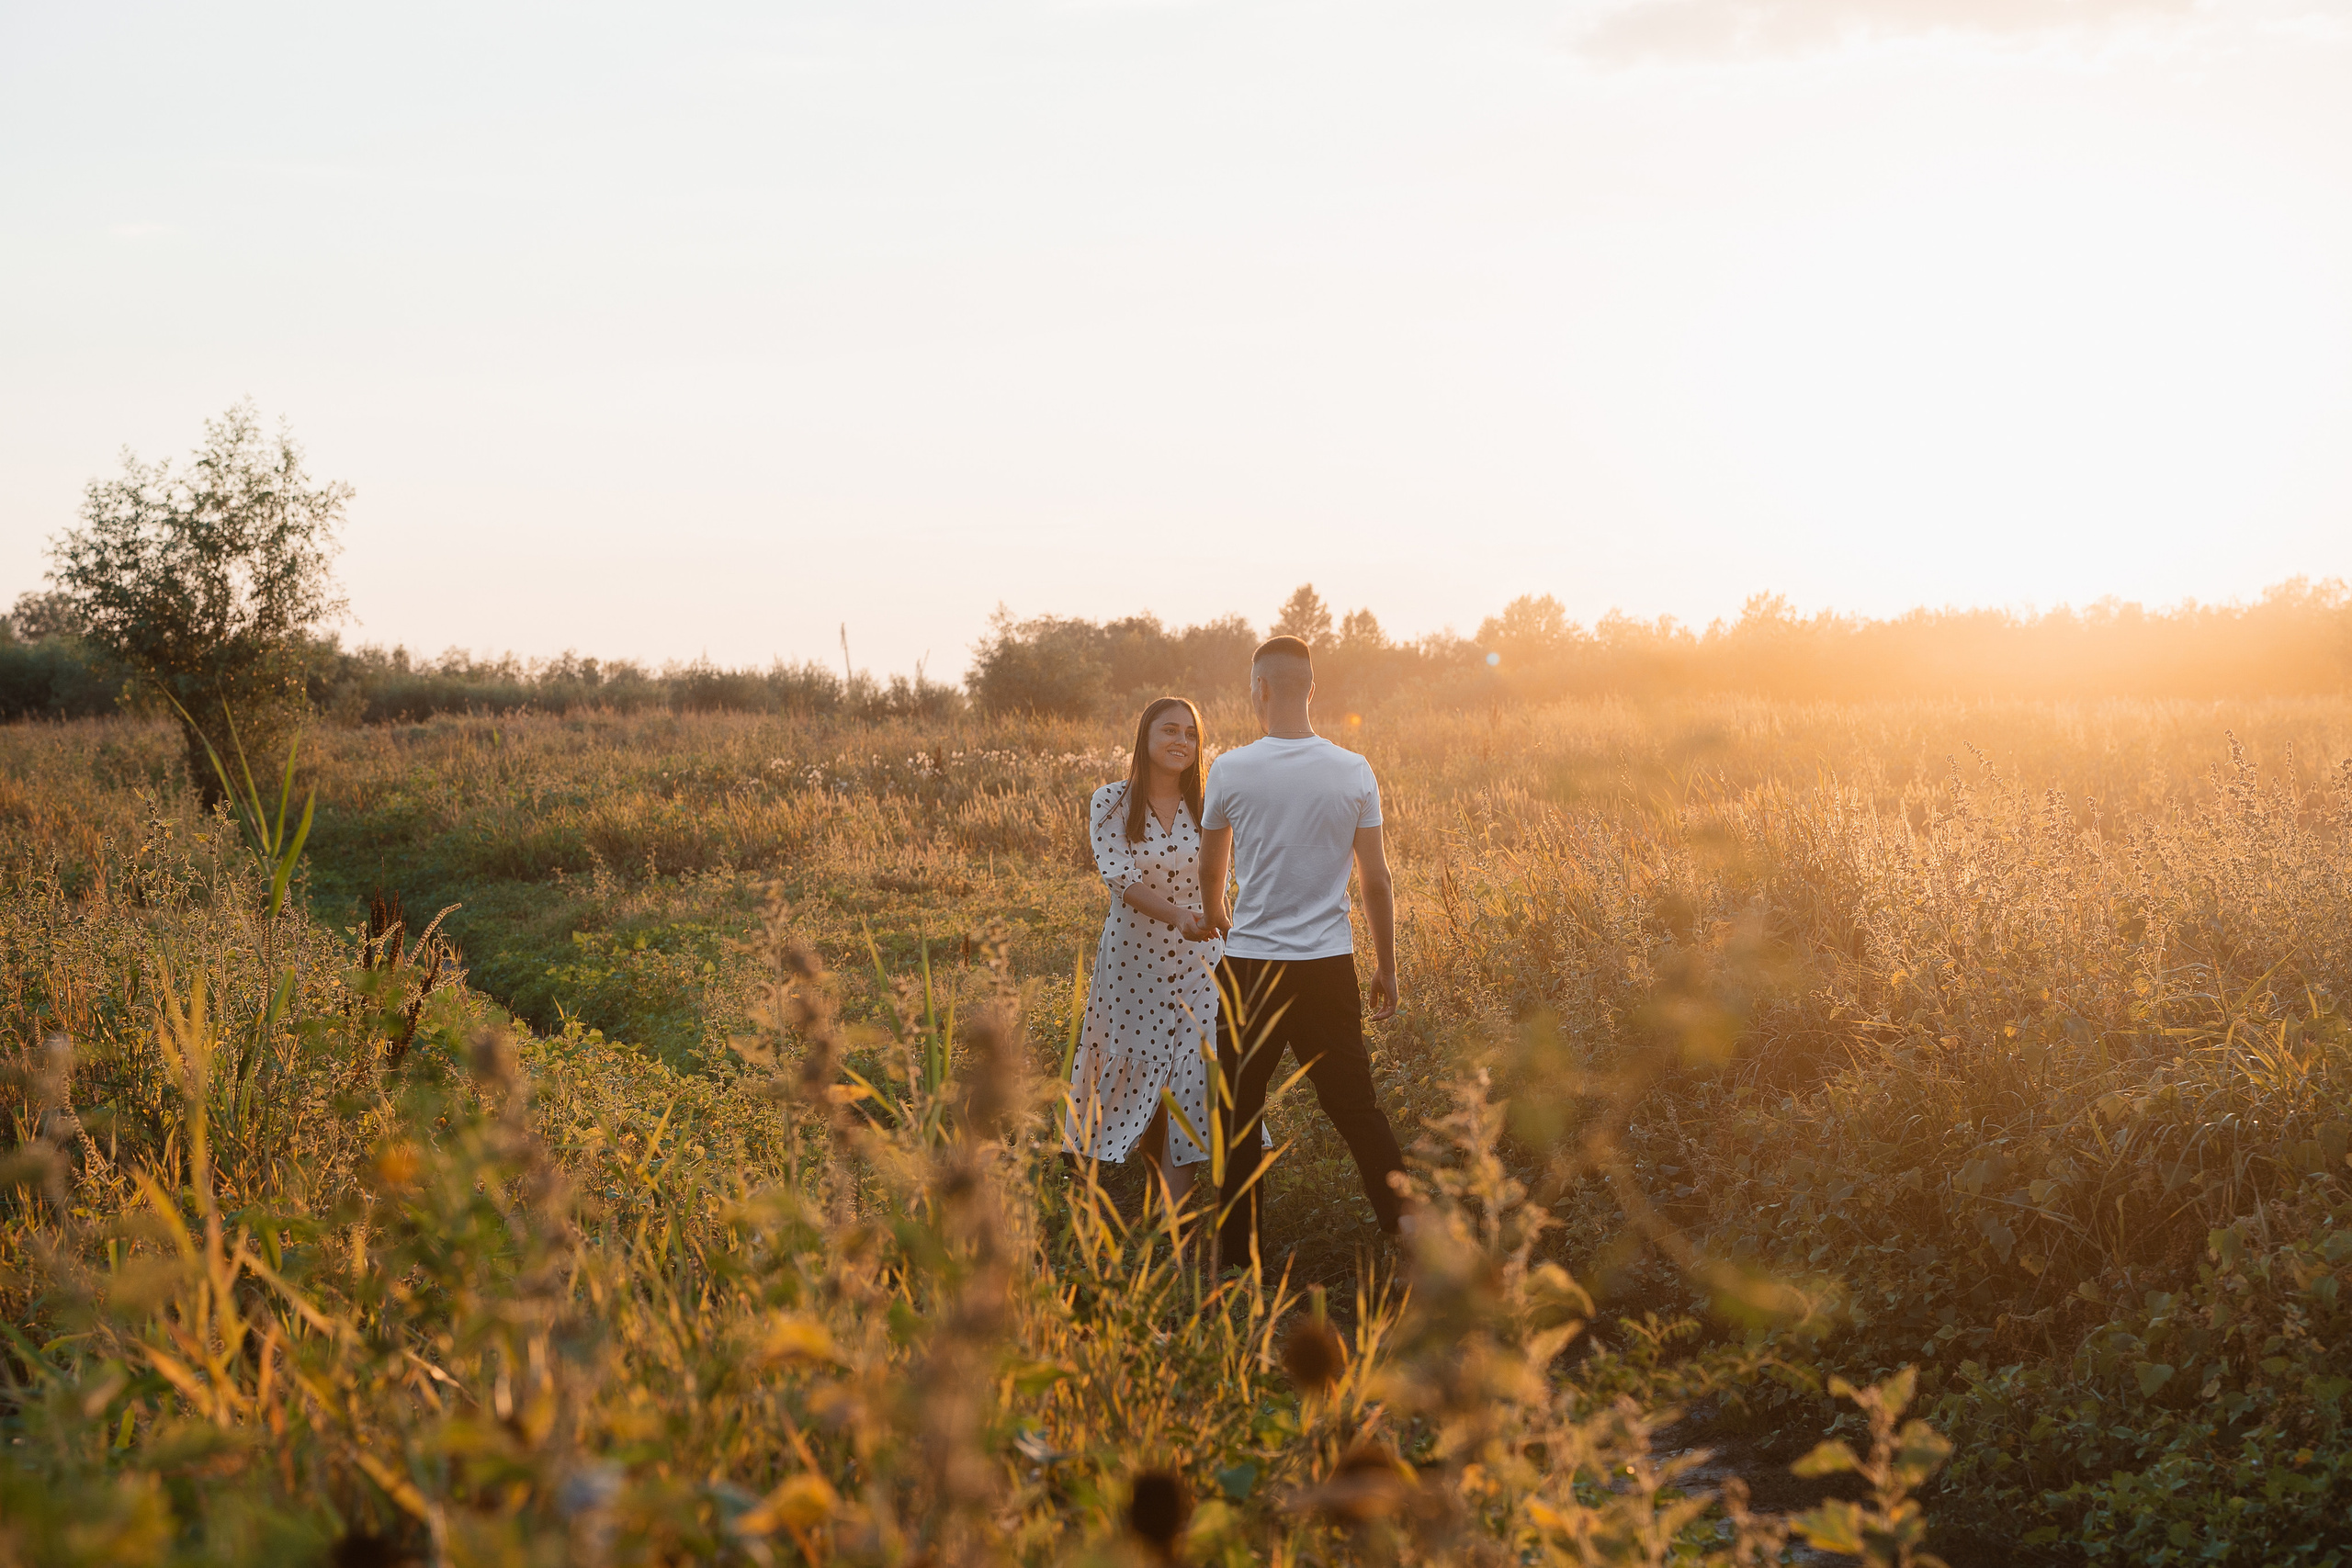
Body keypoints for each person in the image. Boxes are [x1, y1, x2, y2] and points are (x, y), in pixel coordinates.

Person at [1198, 635, 1409, 1269]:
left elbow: (1213, 869)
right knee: (1354, 1107)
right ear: (1312, 688)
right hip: (1327, 967)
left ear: (1258, 689)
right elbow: (1376, 880)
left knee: (1237, 1110)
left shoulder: (1230, 768)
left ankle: (1239, 1261)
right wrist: (1386, 968)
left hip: (1252, 966)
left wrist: (1216, 916)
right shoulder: (1354, 769)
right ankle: (1409, 1237)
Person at [1064, 696, 1231, 1206]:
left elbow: (1227, 877)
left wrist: (1214, 918)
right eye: (1170, 731)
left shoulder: (1210, 805)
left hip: (1201, 962)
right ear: (1145, 738)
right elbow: (1120, 878)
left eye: (1191, 733)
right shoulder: (1111, 801)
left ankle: (1171, 1222)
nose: (1182, 741)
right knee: (1130, 1077)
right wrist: (1178, 915)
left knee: (1190, 1079)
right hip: (1134, 963)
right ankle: (1087, 1206)